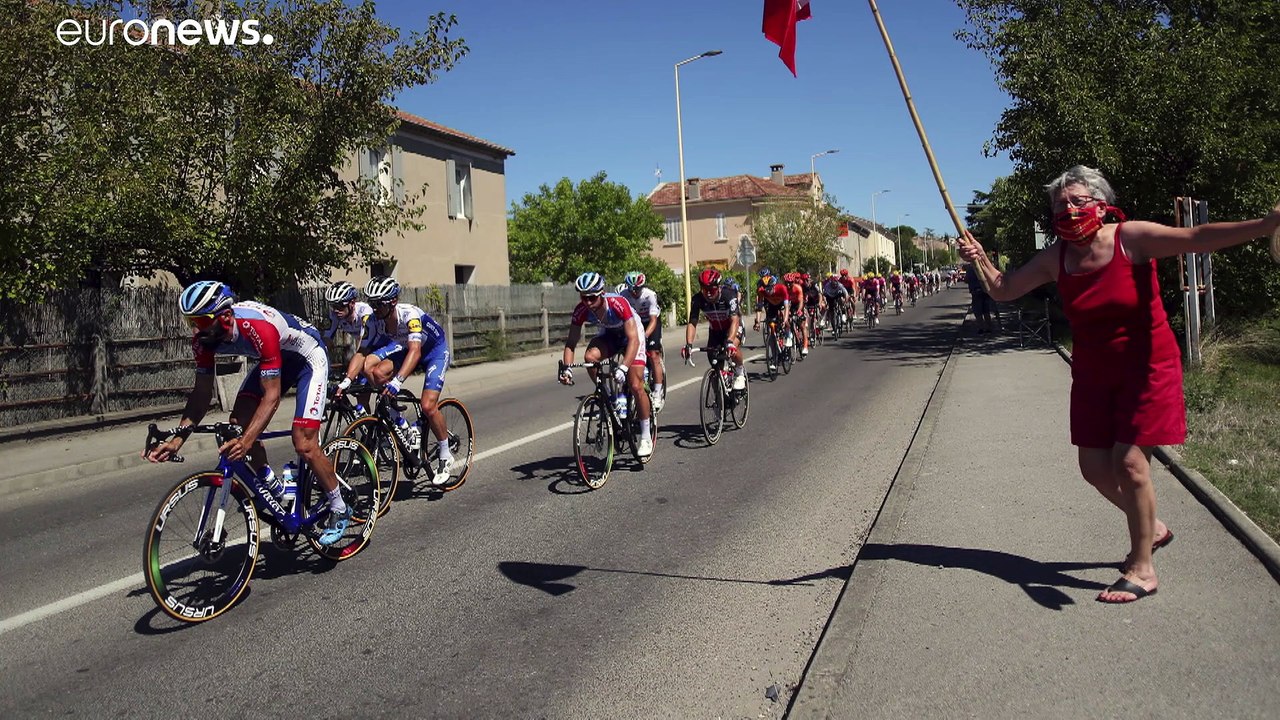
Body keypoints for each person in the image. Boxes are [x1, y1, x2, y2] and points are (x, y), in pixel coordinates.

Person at [958, 164, 1280, 603]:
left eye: (1077, 201)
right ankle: (1154, 528)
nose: (1068, 210)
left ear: (1101, 202)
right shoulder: (1057, 256)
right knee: (1093, 468)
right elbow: (1003, 289)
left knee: (1130, 463)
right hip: (1092, 372)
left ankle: (1142, 566)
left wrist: (1265, 225)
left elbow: (1196, 238)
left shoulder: (1130, 237)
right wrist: (978, 257)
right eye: (1060, 204)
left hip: (1146, 366)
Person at [145, 281, 352, 545]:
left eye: (201, 320)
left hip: (308, 357)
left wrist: (246, 443)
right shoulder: (204, 340)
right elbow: (201, 394)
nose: (196, 328)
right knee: (237, 424)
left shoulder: (257, 328)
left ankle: (339, 506)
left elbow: (272, 396)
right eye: (190, 321)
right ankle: (274, 487)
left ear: (226, 316)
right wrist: (176, 441)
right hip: (276, 357)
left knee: (304, 442)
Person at [339, 276, 455, 482]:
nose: (374, 308)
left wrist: (397, 381)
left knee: (428, 406)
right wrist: (348, 380)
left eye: (378, 304)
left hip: (433, 351)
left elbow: (416, 351)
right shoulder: (374, 320)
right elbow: (363, 351)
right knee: (372, 370)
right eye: (371, 303)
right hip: (405, 349)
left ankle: (445, 454)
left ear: (392, 302)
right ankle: (399, 421)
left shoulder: (409, 315)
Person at [559, 272, 654, 457]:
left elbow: (633, 339)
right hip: (610, 335)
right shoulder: (581, 310)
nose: (587, 302)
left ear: (601, 293)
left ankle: (645, 435)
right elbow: (571, 343)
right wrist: (567, 368)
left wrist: (624, 367)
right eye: (583, 297)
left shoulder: (618, 303)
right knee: (590, 357)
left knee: (635, 384)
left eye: (592, 297)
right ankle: (610, 396)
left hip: (633, 336)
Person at [684, 268, 746, 388]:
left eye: (711, 290)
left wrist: (729, 342)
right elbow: (692, 322)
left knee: (732, 349)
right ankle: (719, 397)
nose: (707, 293)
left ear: (718, 287)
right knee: (714, 361)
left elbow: (735, 320)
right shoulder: (697, 299)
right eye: (704, 289)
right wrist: (689, 344)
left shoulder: (729, 295)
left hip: (732, 328)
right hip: (715, 331)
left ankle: (739, 372)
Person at [620, 271, 665, 412]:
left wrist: (644, 336)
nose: (634, 292)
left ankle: (658, 391)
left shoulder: (649, 295)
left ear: (642, 286)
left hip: (649, 323)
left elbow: (653, 321)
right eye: (631, 289)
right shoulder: (623, 295)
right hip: (633, 323)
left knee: (653, 354)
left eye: (637, 289)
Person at [753, 278, 791, 372]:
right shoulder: (761, 291)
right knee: (771, 330)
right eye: (766, 289)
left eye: (769, 288)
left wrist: (785, 320)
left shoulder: (782, 288)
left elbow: (786, 307)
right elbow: (759, 308)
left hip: (782, 303)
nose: (768, 291)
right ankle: (774, 359)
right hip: (772, 305)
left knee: (785, 320)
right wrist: (757, 322)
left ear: (774, 286)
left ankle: (788, 336)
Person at [965, 261, 995, 333]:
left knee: (978, 312)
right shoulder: (983, 265)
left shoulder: (970, 268)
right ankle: (989, 327)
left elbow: (966, 279)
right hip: (985, 291)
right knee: (986, 310)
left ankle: (981, 328)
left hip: (976, 292)